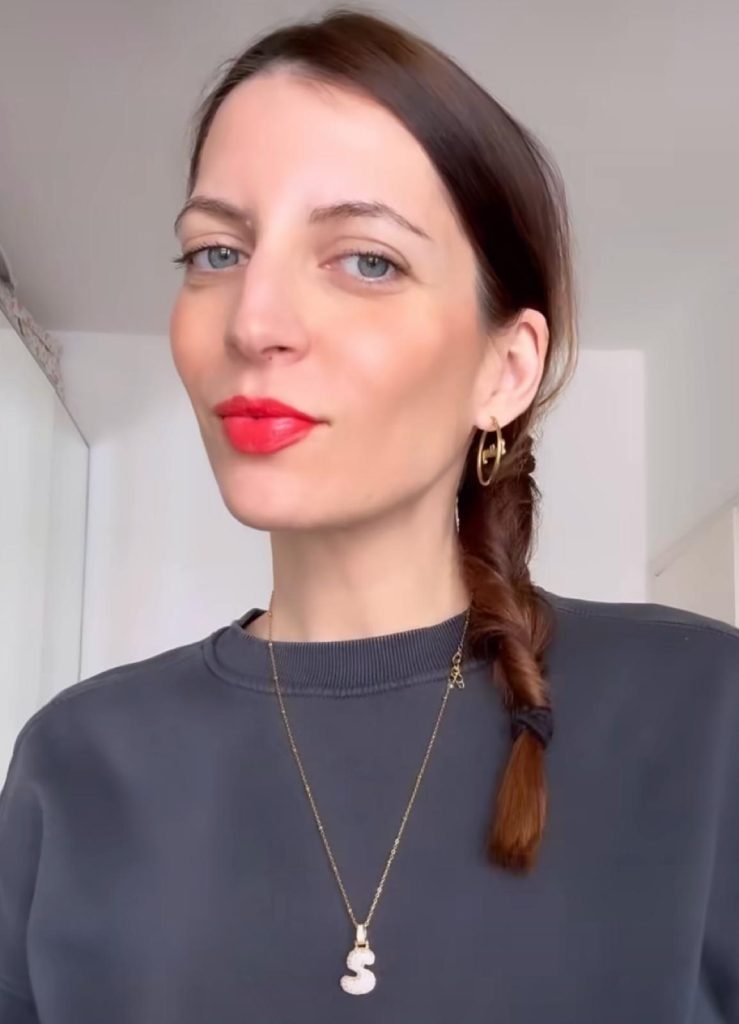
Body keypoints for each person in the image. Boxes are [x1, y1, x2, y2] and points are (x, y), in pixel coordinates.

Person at [1, 6, 737, 1022]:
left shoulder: (705, 713)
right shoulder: (73, 763)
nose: (254, 321)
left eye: (367, 261)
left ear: (504, 368)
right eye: (216, 252)